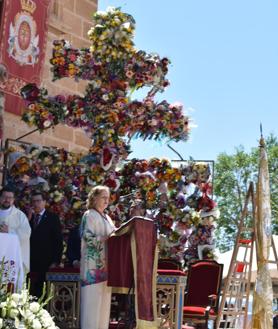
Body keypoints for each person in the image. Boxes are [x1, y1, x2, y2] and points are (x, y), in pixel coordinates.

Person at [80, 185, 115, 329]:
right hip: (92, 269)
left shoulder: (107, 217)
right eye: (103, 197)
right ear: (94, 198)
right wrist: (106, 239)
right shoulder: (89, 215)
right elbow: (87, 237)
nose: (107, 201)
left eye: (108, 198)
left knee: (104, 308)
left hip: (106, 268)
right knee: (91, 307)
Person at [29, 191, 63, 298]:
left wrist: (55, 261)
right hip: (30, 261)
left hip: (46, 262)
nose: (36, 204)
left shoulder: (52, 218)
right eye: (33, 201)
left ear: (44, 202)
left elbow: (58, 241)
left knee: (42, 292)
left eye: (38, 201)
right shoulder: (28, 218)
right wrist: (28, 219)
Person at [0, 186, 31, 274]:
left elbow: (26, 234)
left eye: (10, 198)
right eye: (4, 197)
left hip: (12, 257)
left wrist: (9, 232)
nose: (7, 200)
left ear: (13, 200)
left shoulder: (20, 216)